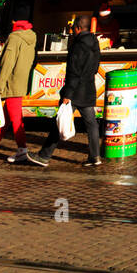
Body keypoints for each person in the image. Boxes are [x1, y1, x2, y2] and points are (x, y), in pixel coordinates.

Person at [29, 14, 102, 168]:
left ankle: (44, 156)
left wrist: (68, 94)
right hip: (88, 88)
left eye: (72, 28)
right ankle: (95, 156)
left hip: (75, 91)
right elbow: (95, 68)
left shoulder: (78, 45)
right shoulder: (95, 43)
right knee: (92, 124)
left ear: (77, 28)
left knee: (60, 121)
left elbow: (74, 71)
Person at [0, 0, 37, 163]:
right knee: (6, 116)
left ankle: (22, 150)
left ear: (14, 20)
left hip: (11, 82)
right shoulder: (32, 36)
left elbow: (7, 64)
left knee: (16, 118)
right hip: (22, 80)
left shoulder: (14, 37)